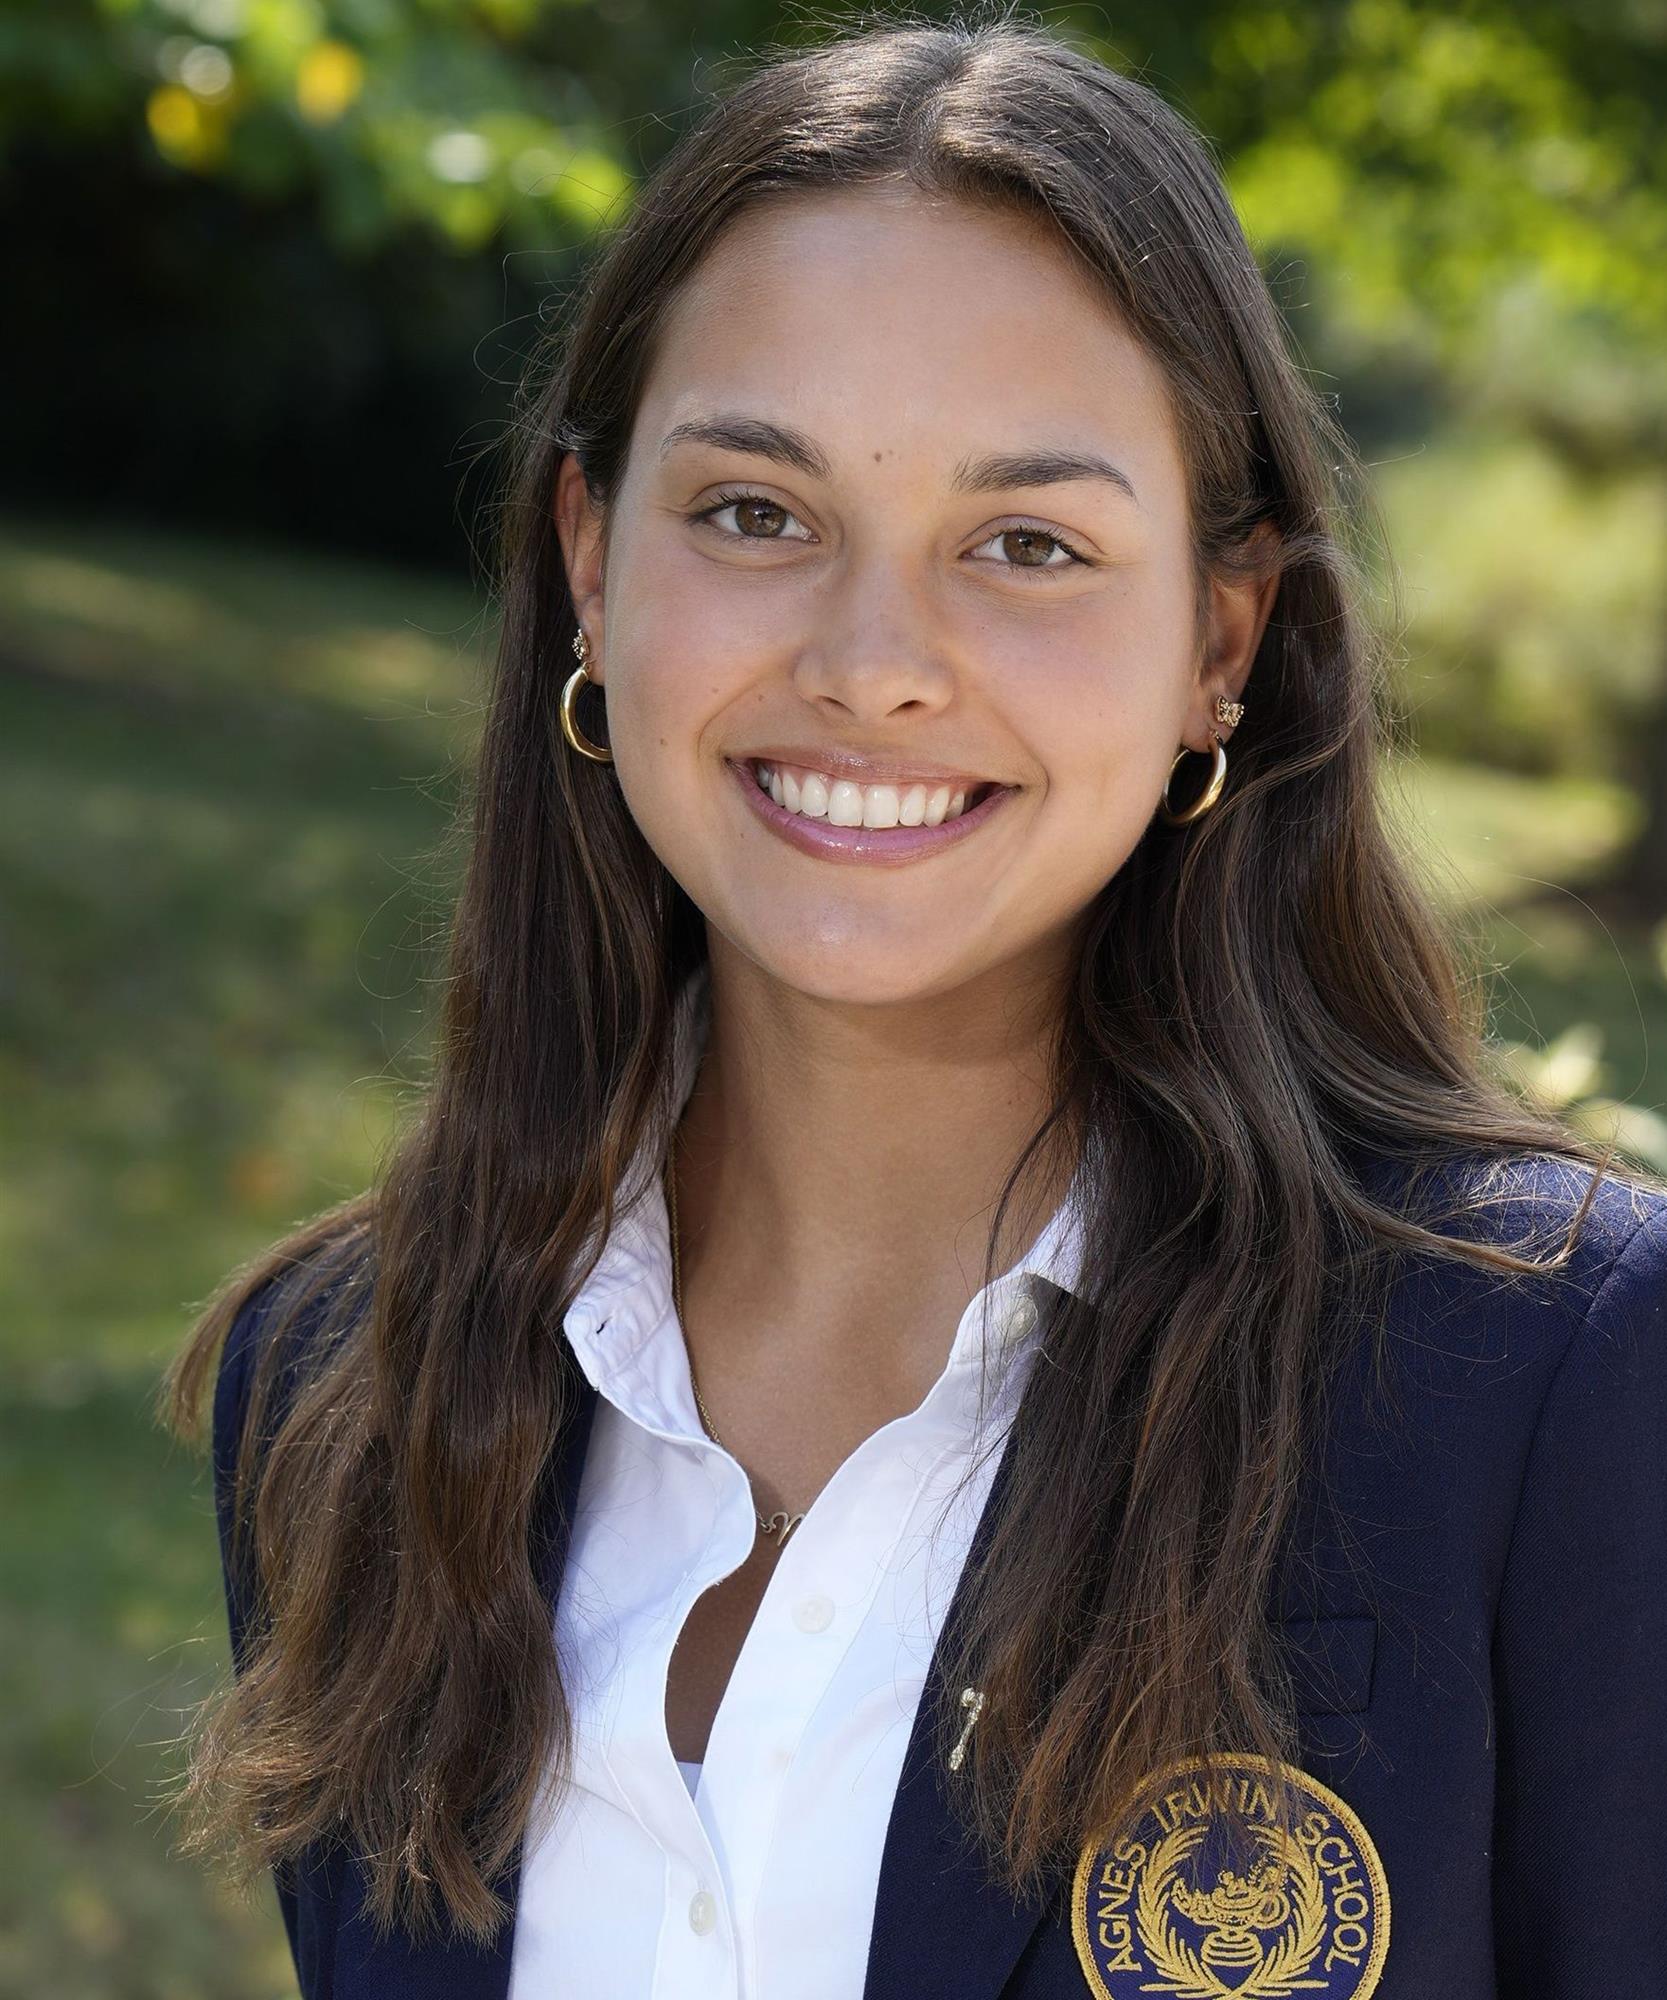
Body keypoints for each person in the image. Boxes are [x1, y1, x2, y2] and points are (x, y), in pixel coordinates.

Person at [162, 13, 1667, 1999]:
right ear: (592, 564)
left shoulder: (1558, 1378)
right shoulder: (344, 1388)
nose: (874, 663)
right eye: (756, 513)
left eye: (1028, 545)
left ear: (1220, 641)